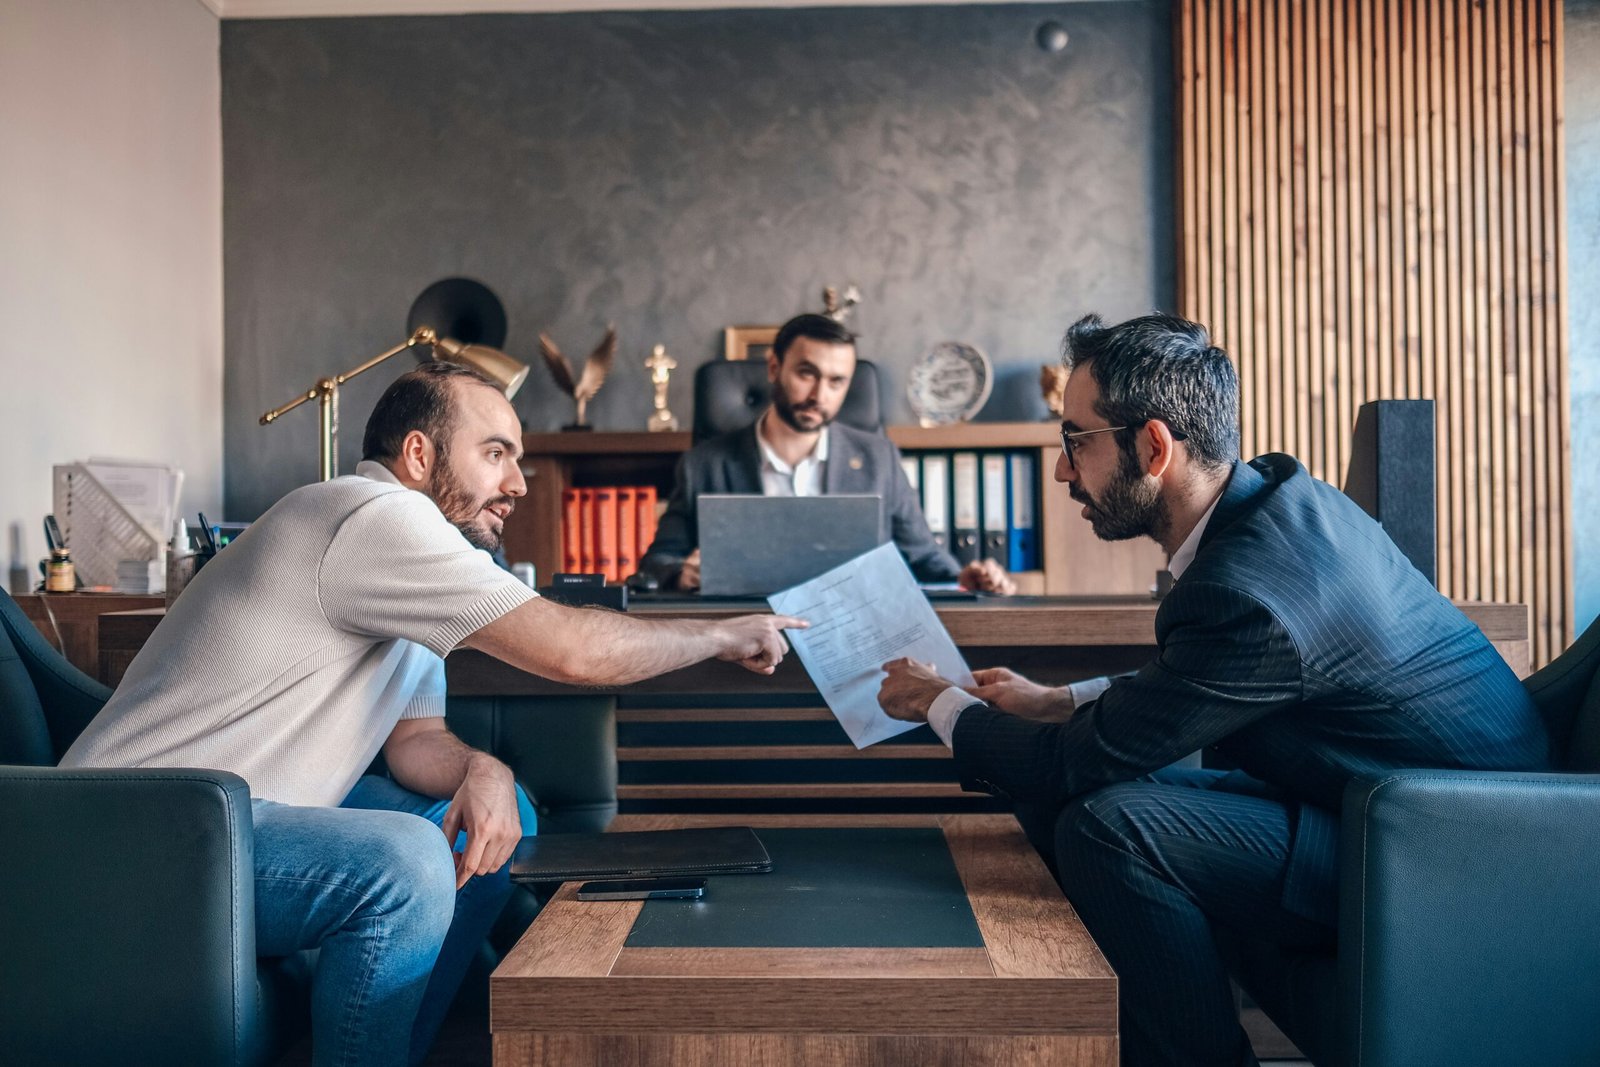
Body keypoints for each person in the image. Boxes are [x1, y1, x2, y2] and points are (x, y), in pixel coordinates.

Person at [60, 361, 804, 1067]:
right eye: (495, 453)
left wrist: (481, 767)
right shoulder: (371, 517)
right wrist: (721, 631)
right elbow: (575, 650)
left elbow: (416, 741)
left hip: (233, 815)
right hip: (135, 832)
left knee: (493, 811)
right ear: (418, 453)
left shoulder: (418, 557)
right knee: (407, 865)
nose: (517, 482)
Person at [875, 313, 1548, 1067]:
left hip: (1456, 858)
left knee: (1108, 821)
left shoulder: (1248, 592)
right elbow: (1204, 687)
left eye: (1075, 440)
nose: (1063, 470)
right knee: (1107, 790)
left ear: (1154, 446)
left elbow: (1075, 761)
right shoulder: (1281, 498)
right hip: (1405, 811)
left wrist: (936, 700)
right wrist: (1058, 700)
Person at [638, 312, 1015, 594]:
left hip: (854, 632)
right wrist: (679, 573)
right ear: (774, 367)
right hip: (746, 634)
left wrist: (964, 578)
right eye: (807, 374)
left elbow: (924, 558)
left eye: (836, 381)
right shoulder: (704, 464)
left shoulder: (878, 459)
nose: (820, 395)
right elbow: (655, 564)